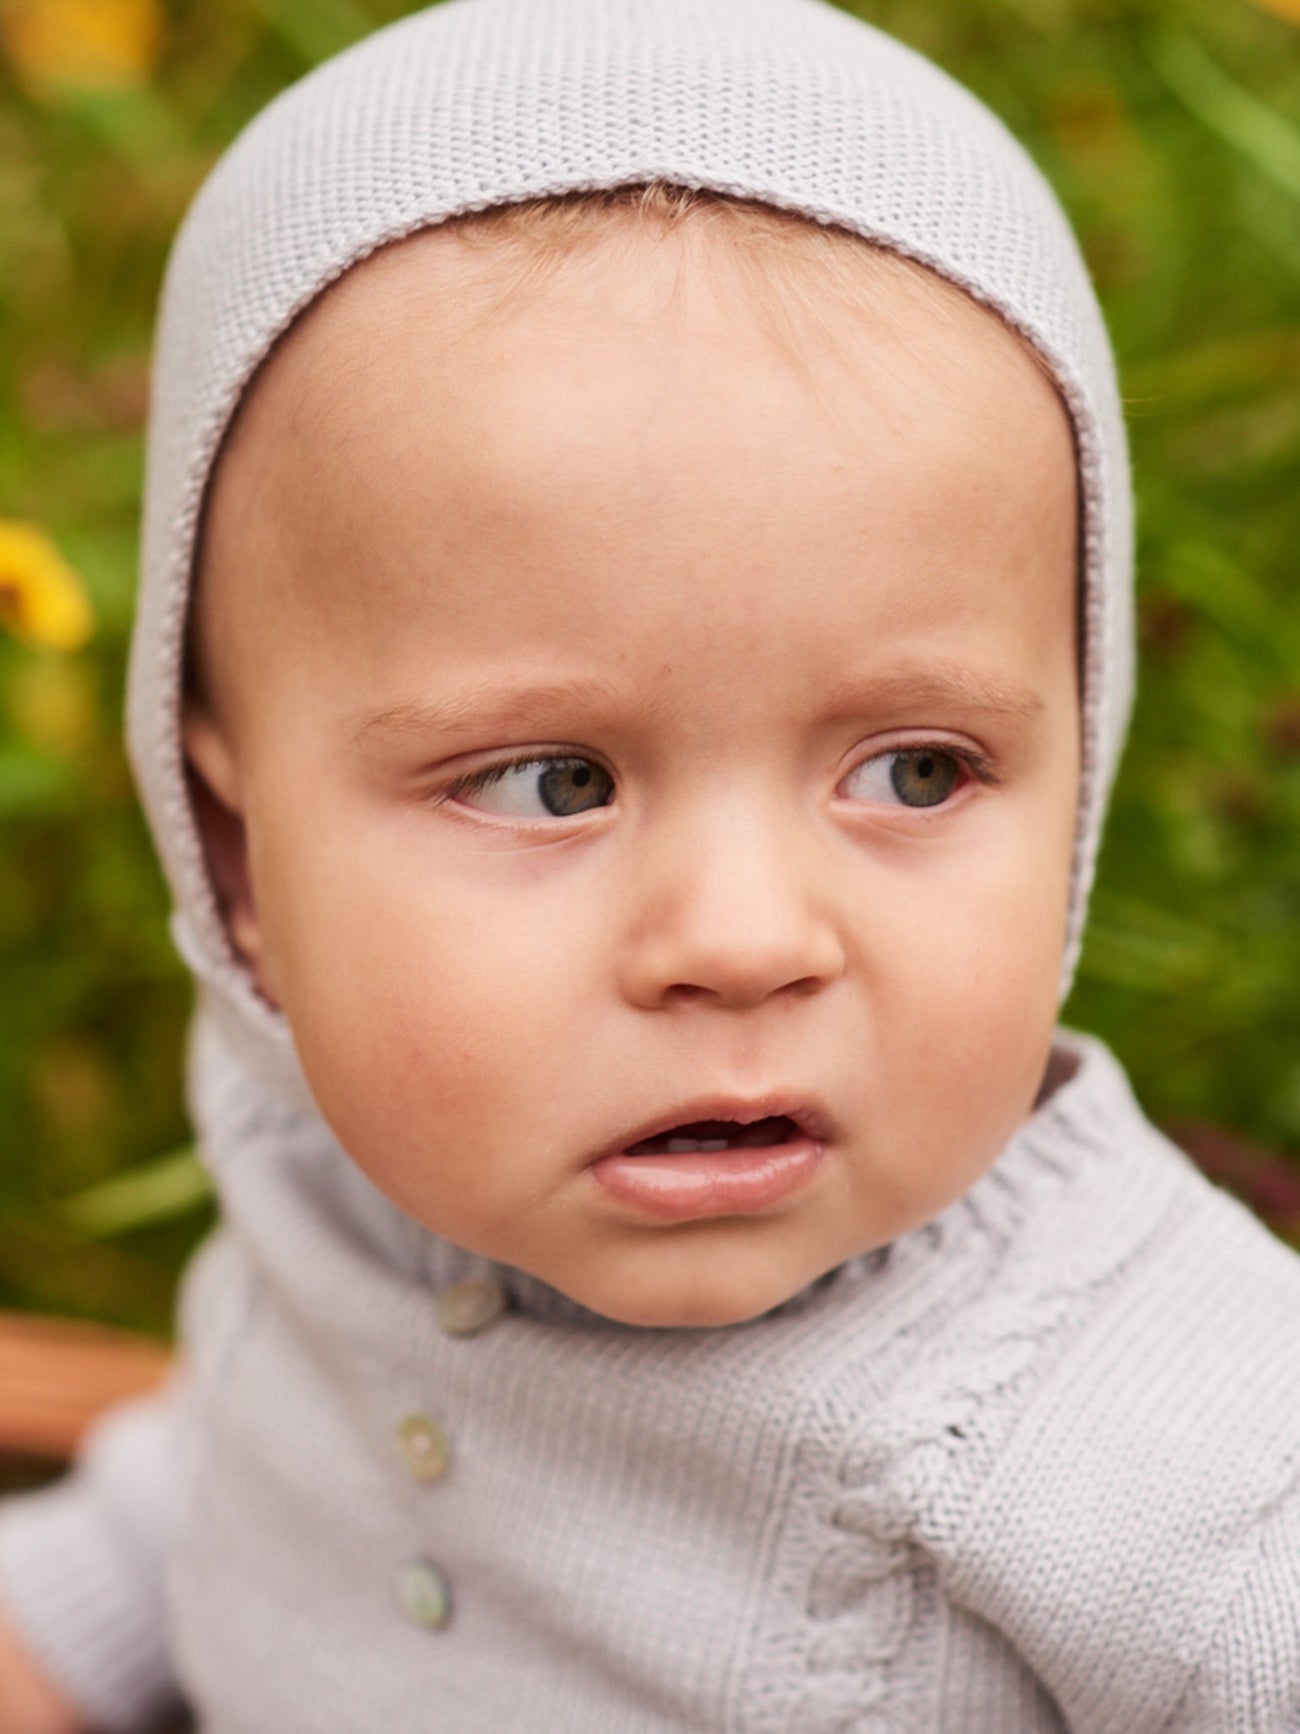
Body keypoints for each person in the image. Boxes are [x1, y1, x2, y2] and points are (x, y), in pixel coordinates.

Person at [2, 0, 1299, 1727]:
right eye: (550, 781)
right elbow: (254, 1451)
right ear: (238, 855)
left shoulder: (1171, 1457)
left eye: (916, 768)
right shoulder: (338, 1167)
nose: (744, 939)